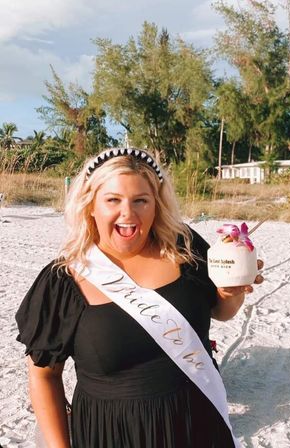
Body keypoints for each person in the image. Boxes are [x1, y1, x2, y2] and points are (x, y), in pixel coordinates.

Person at [15, 147, 264, 448]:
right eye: (112, 200)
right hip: (113, 432)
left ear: (156, 205)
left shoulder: (184, 247)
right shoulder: (63, 281)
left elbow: (222, 312)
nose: (128, 214)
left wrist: (230, 292)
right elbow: (44, 377)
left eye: (141, 201)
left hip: (195, 421)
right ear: (90, 205)